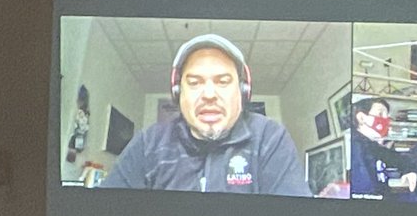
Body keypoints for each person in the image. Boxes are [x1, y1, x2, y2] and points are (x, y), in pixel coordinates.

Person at [101, 34, 310, 196]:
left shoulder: (269, 137)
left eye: (223, 81)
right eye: (194, 83)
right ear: (177, 93)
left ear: (243, 91)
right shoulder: (149, 143)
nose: (209, 95)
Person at [349, 96, 417, 202]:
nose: (385, 121)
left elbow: (398, 159)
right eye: (380, 114)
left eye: (387, 117)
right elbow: (365, 192)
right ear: (361, 118)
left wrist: (409, 170)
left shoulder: (371, 145)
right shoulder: (354, 147)